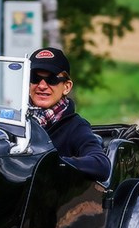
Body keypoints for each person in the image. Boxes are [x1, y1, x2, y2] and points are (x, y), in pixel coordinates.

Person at [27, 47, 111, 182]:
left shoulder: (75, 126)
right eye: (35, 78)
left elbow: (101, 164)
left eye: (52, 79)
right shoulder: (17, 120)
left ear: (66, 87)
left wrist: (53, 163)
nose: (42, 86)